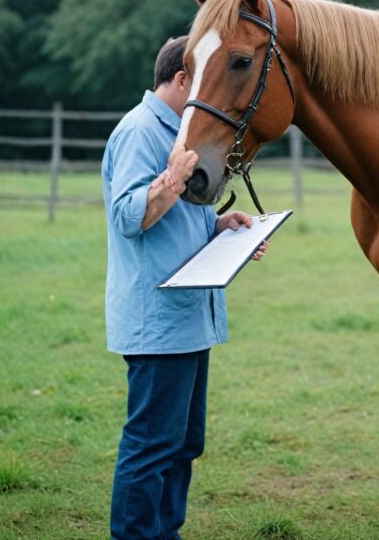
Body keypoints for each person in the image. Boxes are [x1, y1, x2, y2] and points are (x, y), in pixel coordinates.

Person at [102, 36, 266, 540]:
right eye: (199, 80)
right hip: (158, 321)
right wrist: (172, 179)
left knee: (184, 444)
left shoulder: (181, 131)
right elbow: (128, 217)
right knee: (151, 446)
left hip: (191, 319)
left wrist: (220, 227)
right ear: (180, 79)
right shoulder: (139, 131)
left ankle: (165, 533)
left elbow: (177, 224)